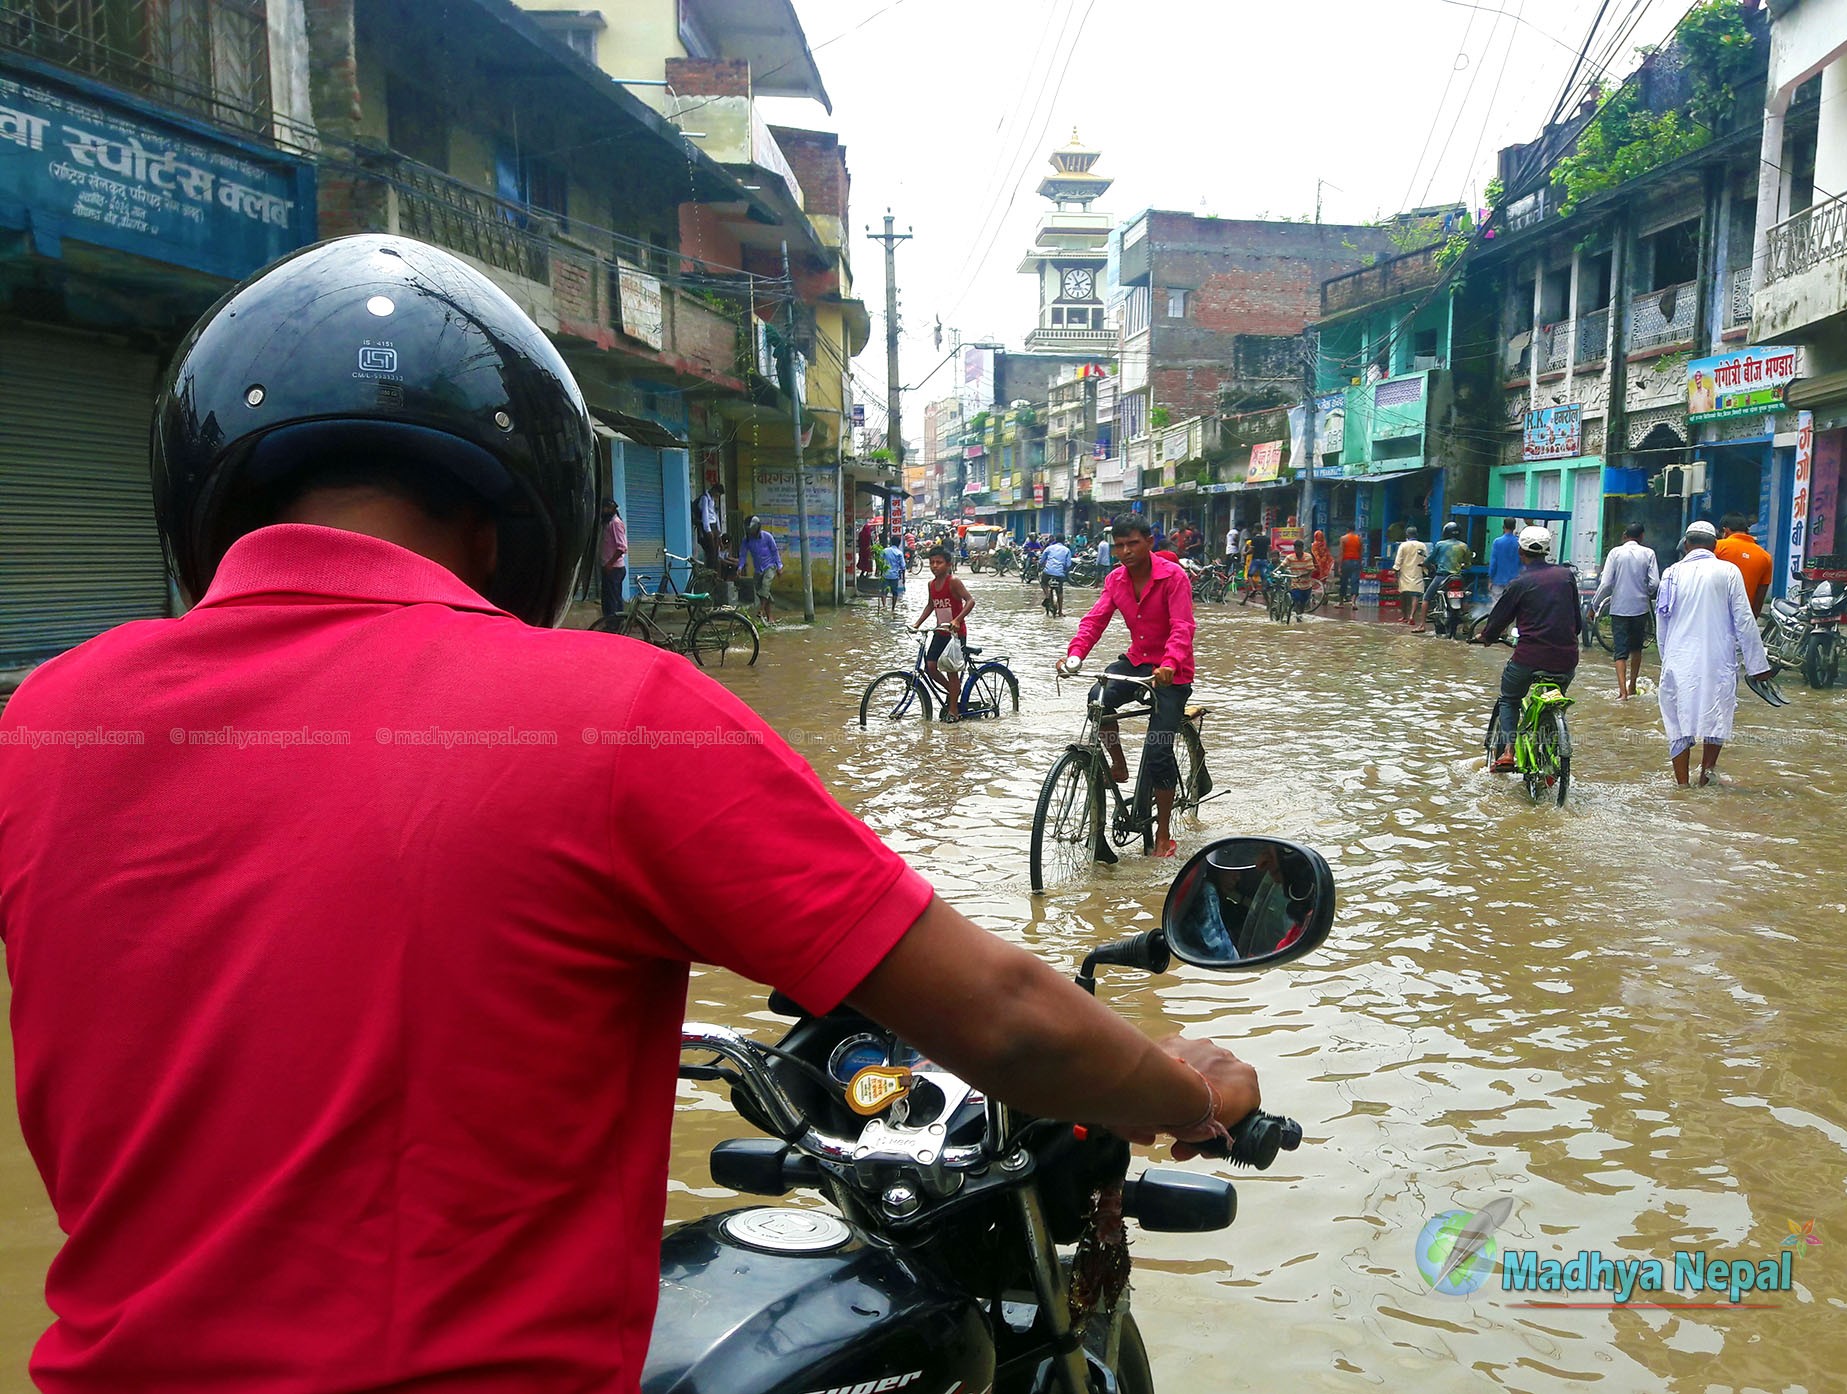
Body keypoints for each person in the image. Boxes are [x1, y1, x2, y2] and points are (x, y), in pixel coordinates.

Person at [0, 236, 1262, 1394]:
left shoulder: (43, 723)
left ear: (206, 492)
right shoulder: (618, 713)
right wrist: (1180, 1087)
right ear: (523, 515)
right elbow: (999, 1013)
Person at [1057, 517, 1197, 860]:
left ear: (1149, 541)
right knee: (1098, 699)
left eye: (1131, 543)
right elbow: (1095, 620)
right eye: (1118, 545)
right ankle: (1118, 765)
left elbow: (1183, 626)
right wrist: (1074, 655)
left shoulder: (1173, 576)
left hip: (1171, 671)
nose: (1124, 552)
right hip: (1136, 660)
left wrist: (1170, 663)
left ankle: (1163, 834)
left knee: (1160, 748)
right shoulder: (1115, 579)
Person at [1655, 520, 1774, 787]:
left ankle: (1682, 785)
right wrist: (1758, 666)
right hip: (1717, 659)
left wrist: (1667, 659)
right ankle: (1705, 777)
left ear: (1686, 544)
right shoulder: (1728, 572)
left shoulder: (1671, 573)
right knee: (1716, 716)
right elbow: (1744, 620)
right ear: (1715, 546)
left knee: (1677, 721)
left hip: (1678, 659)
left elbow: (1661, 620)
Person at [1476, 525, 1583, 772]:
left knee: (1510, 698)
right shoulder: (1566, 576)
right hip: (1566, 659)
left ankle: (1509, 751)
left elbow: (1499, 620)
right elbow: (1576, 623)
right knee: (1553, 699)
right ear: (1547, 551)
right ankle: (1550, 741)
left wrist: (1487, 636)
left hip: (1528, 658)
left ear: (1520, 551)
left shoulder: (1519, 583)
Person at [1596, 522, 1661, 700]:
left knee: (1620, 651)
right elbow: (1655, 583)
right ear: (1641, 536)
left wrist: (1595, 606)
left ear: (1625, 535)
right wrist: (1644, 592)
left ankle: (1622, 692)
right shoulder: (1649, 553)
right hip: (1640, 609)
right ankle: (1632, 686)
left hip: (1619, 609)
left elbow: (1606, 583)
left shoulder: (1615, 553)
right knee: (1636, 649)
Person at [910, 546, 975, 721]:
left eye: (938, 562)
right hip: (940, 632)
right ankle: (953, 691)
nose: (934, 566)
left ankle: (954, 710)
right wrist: (917, 623)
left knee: (951, 671)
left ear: (948, 564)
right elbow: (931, 605)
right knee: (930, 667)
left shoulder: (953, 581)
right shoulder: (931, 585)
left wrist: (957, 620)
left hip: (955, 634)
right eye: (931, 562)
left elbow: (970, 601)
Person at [1714, 513, 1774, 615]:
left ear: (1725, 531)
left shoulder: (1717, 547)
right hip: (1743, 617)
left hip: (1715, 614)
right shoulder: (1765, 557)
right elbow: (1760, 596)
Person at [1421, 522, 1473, 628]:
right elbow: (1468, 564)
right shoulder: (1464, 546)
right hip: (1458, 577)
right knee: (1465, 598)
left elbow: (1430, 559)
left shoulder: (1440, 544)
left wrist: (1425, 563)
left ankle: (1422, 625)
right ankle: (1467, 626)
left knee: (1426, 598)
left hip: (1442, 577)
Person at [738, 515, 783, 625]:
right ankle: (770, 617)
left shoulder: (767, 537)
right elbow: (743, 555)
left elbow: (774, 551)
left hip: (770, 566)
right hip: (758, 569)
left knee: (765, 584)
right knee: (761, 591)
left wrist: (779, 566)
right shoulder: (746, 541)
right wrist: (740, 567)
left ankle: (761, 610)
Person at [599, 497, 627, 621]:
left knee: (613, 600)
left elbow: (622, 547)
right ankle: (611, 623)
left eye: (605, 508)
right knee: (608, 599)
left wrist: (610, 564)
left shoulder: (616, 523)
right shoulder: (608, 523)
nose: (603, 510)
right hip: (609, 567)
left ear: (611, 509)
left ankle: (615, 625)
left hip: (614, 569)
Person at [1394, 529, 1429, 627]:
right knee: (1415, 595)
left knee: (1403, 594)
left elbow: (1398, 559)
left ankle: (1404, 616)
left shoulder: (1403, 545)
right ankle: (1411, 616)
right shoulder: (1422, 545)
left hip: (1405, 572)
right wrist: (1425, 570)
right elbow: (1425, 559)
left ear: (1407, 535)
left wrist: (1396, 569)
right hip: (1417, 571)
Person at [1040, 532, 1073, 616]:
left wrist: (1040, 565)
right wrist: (1063, 570)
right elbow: (1068, 564)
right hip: (1059, 574)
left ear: (1055, 539)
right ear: (1064, 540)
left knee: (1043, 583)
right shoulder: (1067, 550)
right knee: (1060, 592)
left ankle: (1047, 596)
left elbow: (1041, 560)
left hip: (1048, 572)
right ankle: (1060, 611)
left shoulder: (1049, 548)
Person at [1284, 539, 1316, 622]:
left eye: (1299, 548)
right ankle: (1299, 619)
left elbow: (1310, 570)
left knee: (1303, 603)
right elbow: (1282, 565)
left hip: (1306, 585)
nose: (1297, 550)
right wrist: (1274, 572)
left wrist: (1302, 575)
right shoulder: (1290, 557)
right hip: (1295, 584)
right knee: (1297, 601)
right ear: (1294, 548)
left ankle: (1300, 615)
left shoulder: (1308, 557)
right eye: (1296, 548)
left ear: (1302, 548)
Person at [1488, 517, 1522, 593]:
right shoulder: (1519, 542)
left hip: (1498, 581)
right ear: (1514, 527)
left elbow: (1493, 563)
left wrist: (1490, 579)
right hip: (1515, 581)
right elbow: (1522, 563)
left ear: (1503, 526)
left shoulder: (1497, 542)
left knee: (1497, 603)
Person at [698, 480, 725, 571]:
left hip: (714, 527)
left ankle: (714, 575)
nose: (717, 497)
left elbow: (715, 516)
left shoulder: (712, 500)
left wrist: (719, 534)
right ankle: (709, 575)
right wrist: (708, 531)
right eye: (717, 494)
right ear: (714, 490)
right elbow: (705, 516)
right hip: (708, 528)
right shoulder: (705, 498)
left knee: (716, 554)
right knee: (711, 554)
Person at [1337, 523, 1364, 608]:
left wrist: (1339, 566)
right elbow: (1361, 553)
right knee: (1355, 582)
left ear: (1347, 530)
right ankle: (1353, 602)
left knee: (1343, 582)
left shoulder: (1343, 538)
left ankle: (1341, 602)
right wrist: (1360, 563)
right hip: (1356, 562)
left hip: (1346, 561)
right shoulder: (1359, 539)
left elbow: (1341, 553)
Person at [881, 533, 907, 614]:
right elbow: (903, 567)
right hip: (894, 576)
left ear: (891, 542)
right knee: (895, 592)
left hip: (885, 574)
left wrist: (879, 571)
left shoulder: (885, 551)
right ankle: (893, 609)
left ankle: (884, 606)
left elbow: (880, 561)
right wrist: (903, 578)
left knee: (884, 591)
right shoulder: (899, 553)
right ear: (899, 544)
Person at [1245, 527, 1272, 605]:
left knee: (1249, 575)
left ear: (1256, 529)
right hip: (1264, 560)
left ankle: (1253, 588)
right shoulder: (1267, 539)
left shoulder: (1254, 539)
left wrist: (1246, 553)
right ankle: (1264, 589)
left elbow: (1251, 550)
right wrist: (1270, 558)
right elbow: (1270, 549)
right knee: (1264, 576)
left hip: (1255, 560)